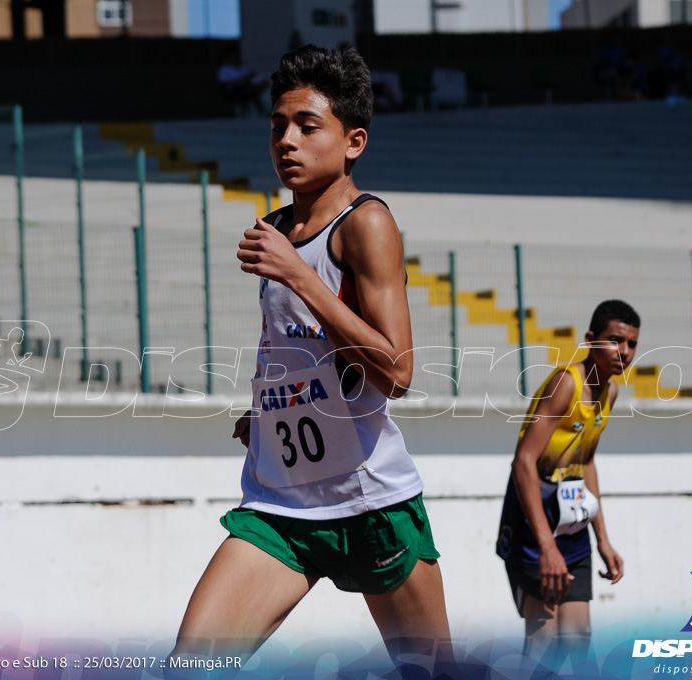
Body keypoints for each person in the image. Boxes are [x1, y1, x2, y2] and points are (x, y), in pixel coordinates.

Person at [170, 45, 453, 676]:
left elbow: (396, 371)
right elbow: (299, 355)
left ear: (353, 141)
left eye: (307, 126)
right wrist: (269, 413)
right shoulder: (276, 230)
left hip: (370, 502)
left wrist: (300, 274)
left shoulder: (367, 223)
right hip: (282, 505)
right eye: (277, 126)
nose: (287, 141)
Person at [495, 300, 637, 667]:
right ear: (591, 339)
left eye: (631, 344)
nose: (624, 352)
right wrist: (546, 546)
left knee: (577, 639)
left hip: (573, 530)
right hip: (534, 530)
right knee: (543, 640)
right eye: (614, 340)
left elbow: (585, 461)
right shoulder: (565, 384)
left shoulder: (610, 392)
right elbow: (523, 461)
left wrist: (602, 539)